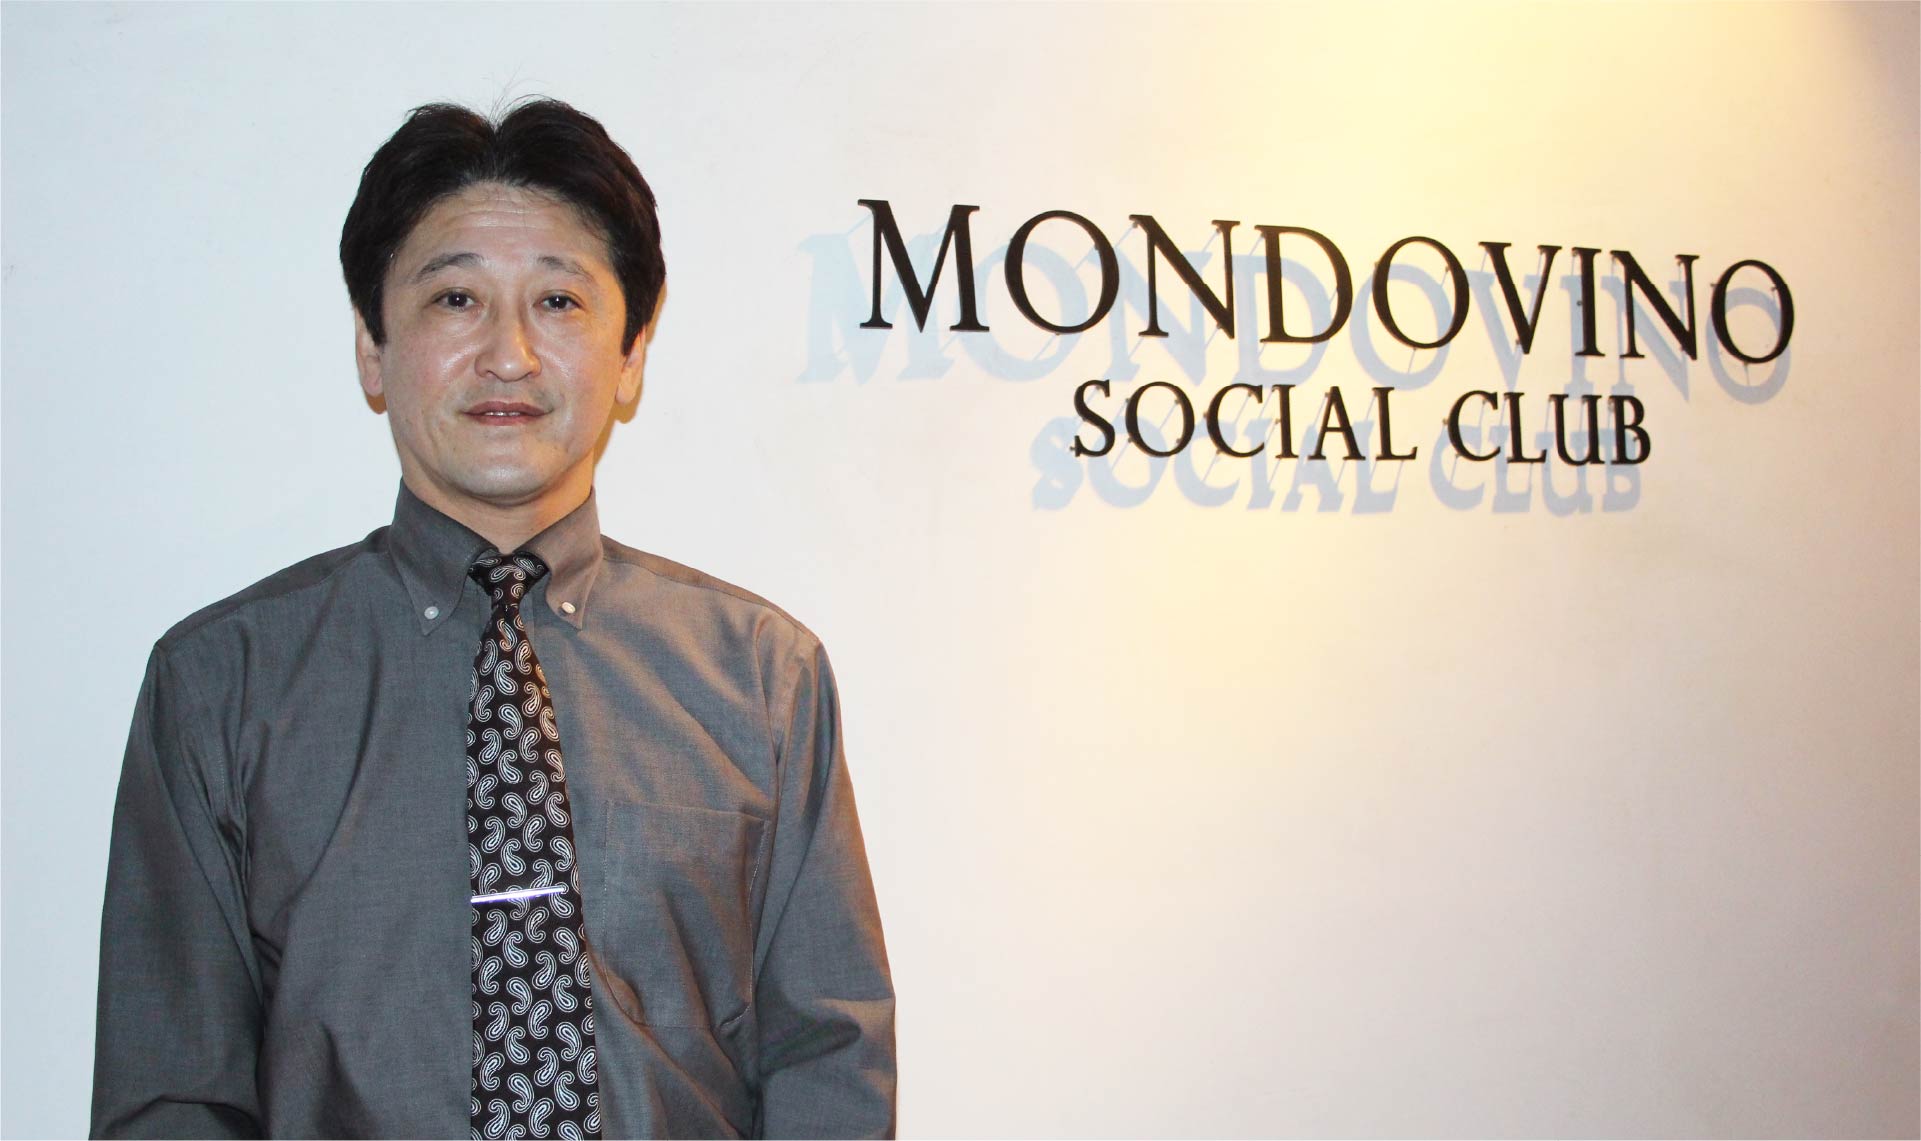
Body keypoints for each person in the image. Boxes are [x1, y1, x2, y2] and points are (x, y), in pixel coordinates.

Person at [90, 98, 895, 1140]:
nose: (508, 354)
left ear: (631, 354)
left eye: (558, 300)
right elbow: (172, 1093)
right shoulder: (220, 684)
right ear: (373, 347)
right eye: (456, 298)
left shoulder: (761, 677)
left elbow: (828, 1062)